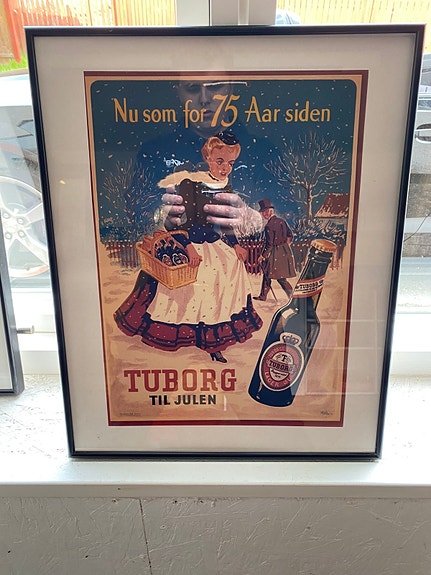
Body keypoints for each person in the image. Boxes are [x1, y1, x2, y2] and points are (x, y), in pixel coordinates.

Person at [114, 132, 262, 363]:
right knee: (197, 279)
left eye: (231, 163)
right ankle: (187, 336)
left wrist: (235, 245)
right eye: (220, 161)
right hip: (187, 242)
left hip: (213, 244)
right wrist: (189, 247)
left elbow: (224, 223)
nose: (225, 168)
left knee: (230, 269)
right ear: (208, 158)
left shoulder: (225, 188)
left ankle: (213, 340)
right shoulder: (190, 184)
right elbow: (172, 222)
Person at [253, 198, 296, 301]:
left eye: (264, 212)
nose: (263, 215)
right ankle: (263, 296)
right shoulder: (282, 221)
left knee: (279, 278)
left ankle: (293, 297)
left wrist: (262, 256)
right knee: (268, 275)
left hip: (274, 253)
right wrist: (284, 245)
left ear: (269, 212)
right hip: (284, 251)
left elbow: (270, 244)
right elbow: (290, 235)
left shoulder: (269, 226)